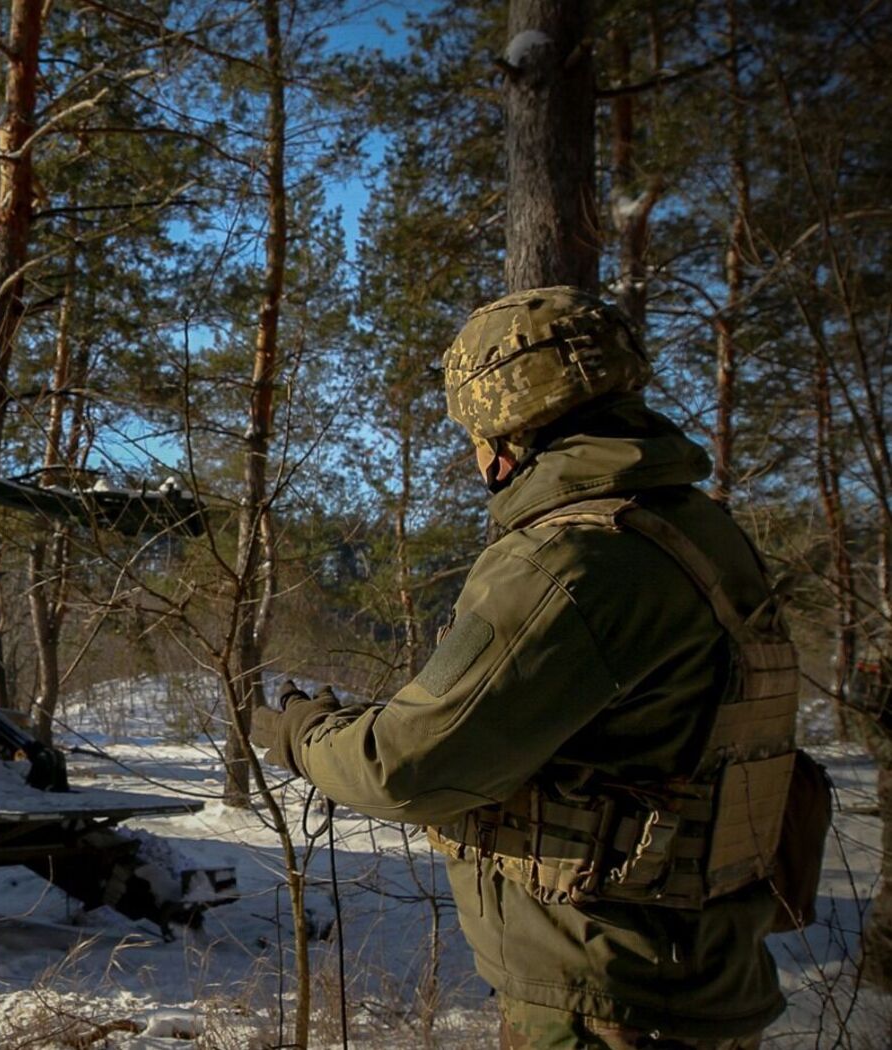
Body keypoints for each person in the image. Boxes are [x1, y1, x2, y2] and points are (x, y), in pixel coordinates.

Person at [269, 287, 795, 1048]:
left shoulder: (570, 561)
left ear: (504, 429)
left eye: (474, 431)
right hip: (692, 975)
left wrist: (302, 732)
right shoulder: (698, 530)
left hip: (605, 1000)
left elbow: (404, 767)